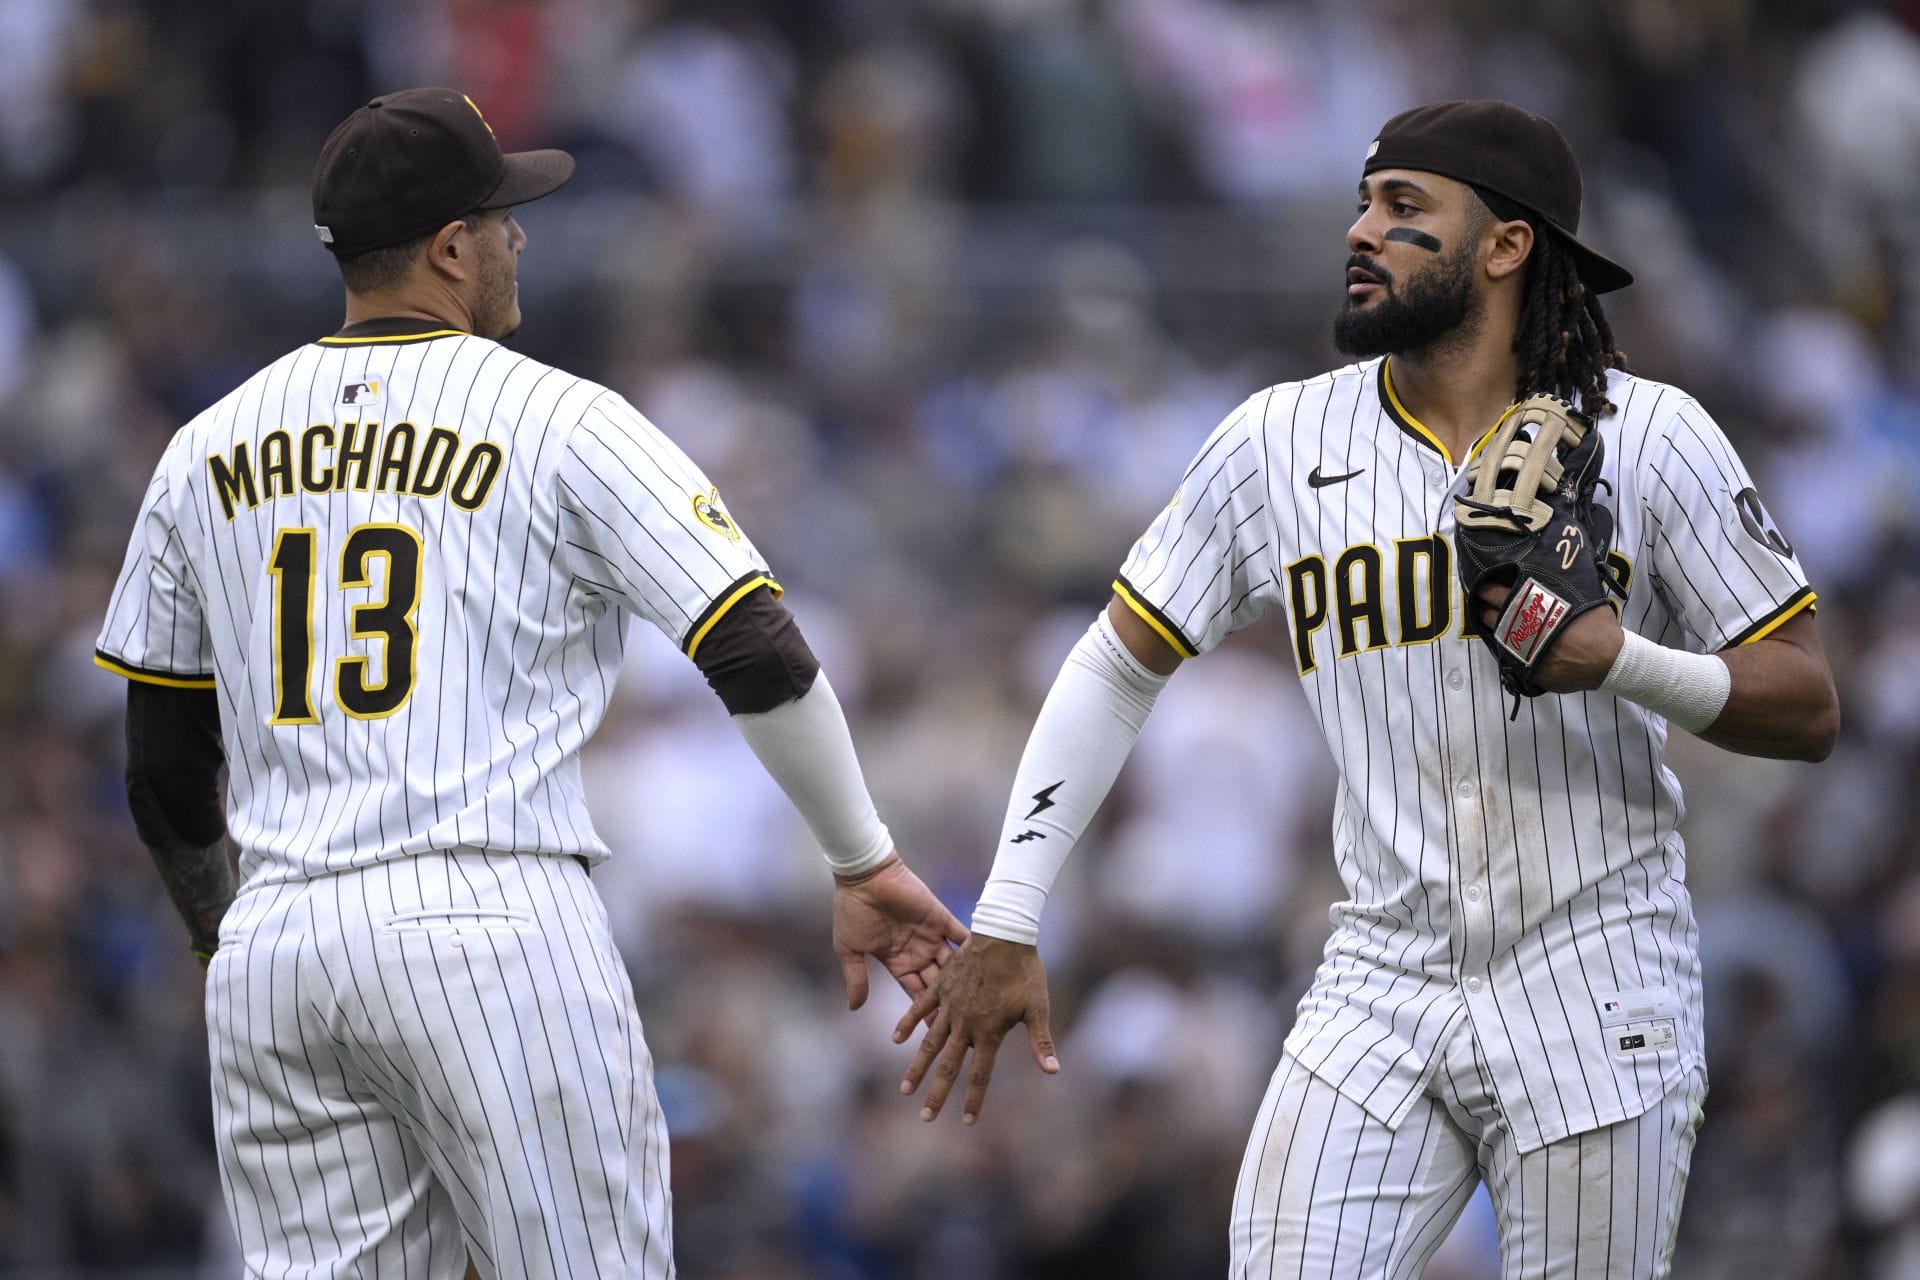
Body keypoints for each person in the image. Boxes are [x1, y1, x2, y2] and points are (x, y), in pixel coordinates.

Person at [898, 99, 1839, 1277]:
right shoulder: (1276, 439)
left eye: (1404, 209)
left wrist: (1621, 659)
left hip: (1599, 974)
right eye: (1362, 201)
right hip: (1380, 972)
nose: (1361, 231)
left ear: (1507, 245)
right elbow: (1115, 661)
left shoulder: (1651, 435)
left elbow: (1808, 703)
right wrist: (1010, 908)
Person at [94, 87, 965, 1279]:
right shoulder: (559, 417)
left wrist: (223, 937)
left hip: (278, 944)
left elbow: (161, 773)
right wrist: (863, 858)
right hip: (488, 923)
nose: (519, 237)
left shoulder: (204, 447)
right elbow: (756, 646)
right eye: (502, 215)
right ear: (451, 247)